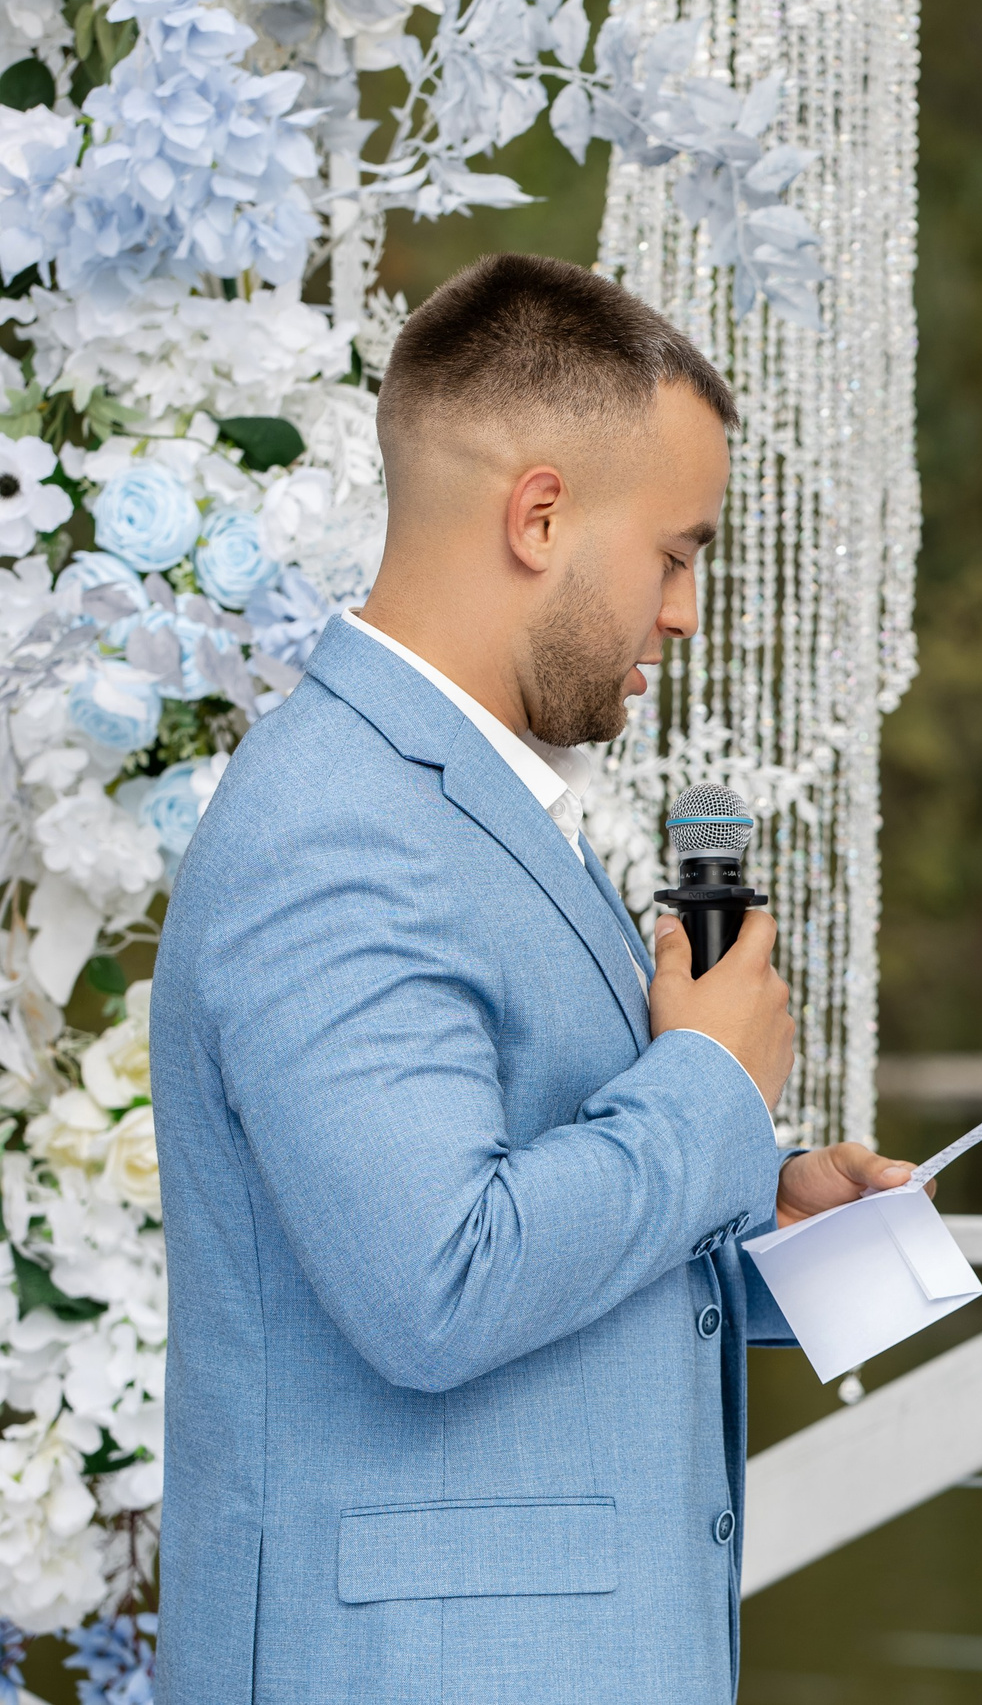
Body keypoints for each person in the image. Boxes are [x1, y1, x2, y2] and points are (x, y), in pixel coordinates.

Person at [151, 254, 916, 1702]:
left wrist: (751, 1209)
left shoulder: (460, 800)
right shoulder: (339, 823)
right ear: (541, 516)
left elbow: (513, 1196)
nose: (685, 613)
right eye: (675, 554)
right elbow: (437, 1284)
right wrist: (708, 1086)